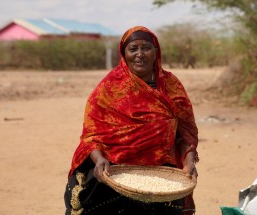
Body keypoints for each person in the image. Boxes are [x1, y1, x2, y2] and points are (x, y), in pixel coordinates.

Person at [64, 26, 199, 215]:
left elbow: (186, 132)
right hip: (113, 172)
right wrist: (99, 159)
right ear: (124, 53)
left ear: (156, 51)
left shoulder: (171, 85)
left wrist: (189, 161)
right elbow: (91, 135)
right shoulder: (109, 87)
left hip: (162, 175)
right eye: (133, 49)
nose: (140, 54)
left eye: (146, 48)